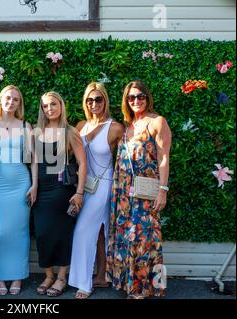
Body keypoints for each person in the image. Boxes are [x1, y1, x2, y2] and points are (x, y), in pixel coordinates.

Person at [106, 80, 171, 299]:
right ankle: (129, 284)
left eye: (140, 96)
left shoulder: (157, 121)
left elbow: (163, 158)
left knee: (145, 239)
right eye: (131, 97)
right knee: (126, 237)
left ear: (147, 97)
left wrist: (162, 189)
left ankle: (144, 288)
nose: (136, 101)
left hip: (146, 191)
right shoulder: (128, 125)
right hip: (124, 192)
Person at [68, 82, 124, 299]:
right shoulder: (80, 125)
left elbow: (126, 160)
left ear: (105, 101)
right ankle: (102, 275)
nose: (94, 103)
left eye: (98, 99)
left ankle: (84, 283)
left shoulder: (116, 128)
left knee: (83, 230)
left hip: (103, 185)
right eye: (89, 100)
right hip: (83, 185)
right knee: (99, 232)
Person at [32, 91, 87, 297]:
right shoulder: (37, 131)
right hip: (42, 191)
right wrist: (34, 185)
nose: (49, 109)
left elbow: (82, 164)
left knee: (62, 234)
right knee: (42, 233)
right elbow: (35, 162)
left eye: (53, 104)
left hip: (62, 189)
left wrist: (80, 192)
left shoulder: (70, 131)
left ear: (61, 106)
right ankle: (48, 275)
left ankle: (62, 277)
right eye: (45, 106)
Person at [0, 85, 38, 296]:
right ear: (1, 99)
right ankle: (0, 277)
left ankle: (17, 276)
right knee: (0, 231)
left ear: (20, 103)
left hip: (21, 183)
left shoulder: (26, 125)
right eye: (7, 98)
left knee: (20, 231)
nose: (11, 102)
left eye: (15, 99)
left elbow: (34, 158)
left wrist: (35, 184)